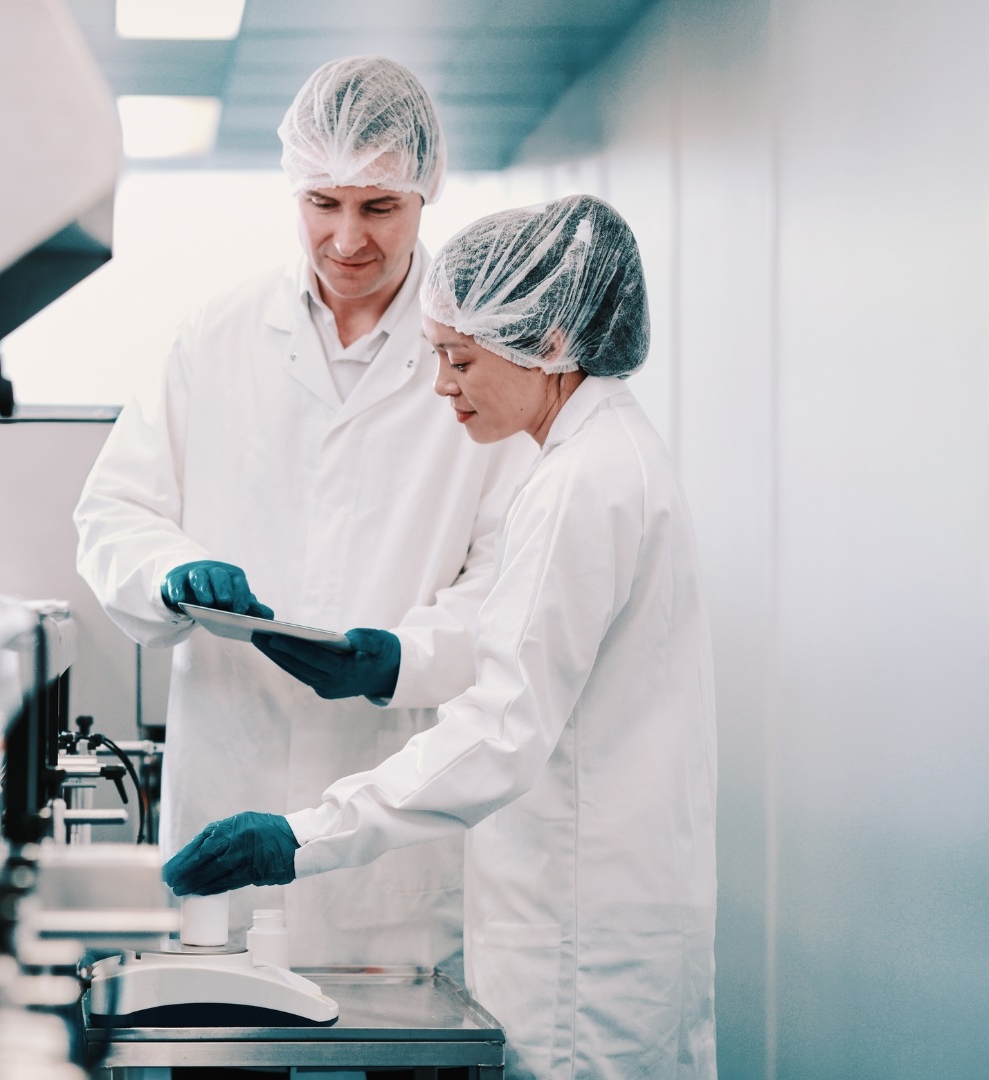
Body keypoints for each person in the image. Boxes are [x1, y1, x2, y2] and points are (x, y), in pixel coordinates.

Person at [164, 195, 718, 1080]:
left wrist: (302, 837)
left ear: (547, 346)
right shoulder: (605, 455)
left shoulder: (580, 483)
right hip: (590, 915)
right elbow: (535, 647)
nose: (441, 386)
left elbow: (503, 728)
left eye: (458, 359)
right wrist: (398, 658)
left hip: (576, 942)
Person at [73, 56, 535, 974]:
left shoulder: (485, 355)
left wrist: (400, 658)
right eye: (325, 203)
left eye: (379, 207)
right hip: (229, 768)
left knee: (403, 1041)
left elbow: (513, 575)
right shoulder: (218, 336)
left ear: (426, 193)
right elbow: (114, 510)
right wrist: (169, 572)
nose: (348, 238)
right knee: (222, 1036)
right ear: (293, 190)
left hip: (395, 801)